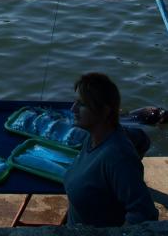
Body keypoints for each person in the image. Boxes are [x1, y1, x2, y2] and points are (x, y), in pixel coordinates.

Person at [63, 72, 158, 227]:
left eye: (82, 104)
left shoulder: (117, 157)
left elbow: (144, 213)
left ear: (104, 111)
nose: (73, 108)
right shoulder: (92, 137)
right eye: (75, 102)